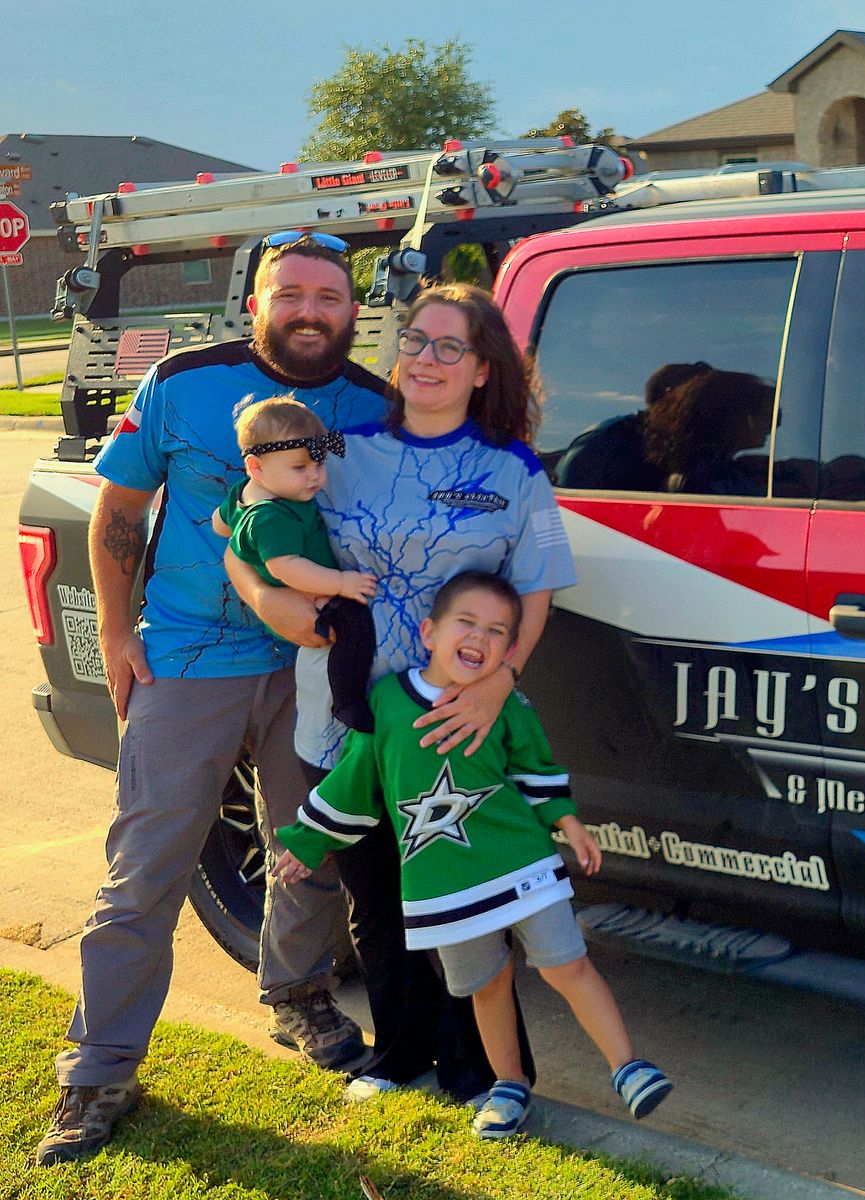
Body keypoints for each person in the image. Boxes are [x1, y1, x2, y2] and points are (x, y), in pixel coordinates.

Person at [37, 231, 383, 1168]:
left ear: (353, 311)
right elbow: (118, 511)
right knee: (146, 867)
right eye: (292, 293)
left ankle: (300, 996)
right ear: (258, 304)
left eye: (329, 295)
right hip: (186, 661)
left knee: (305, 844)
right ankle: (99, 1067)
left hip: (309, 668)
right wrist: (115, 636)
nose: (310, 310)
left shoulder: (374, 405)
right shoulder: (185, 382)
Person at [227, 282, 574, 1106]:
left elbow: (538, 589)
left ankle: (484, 1072)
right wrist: (265, 597)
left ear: (484, 368)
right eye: (414, 340)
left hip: (452, 725)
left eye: (449, 347)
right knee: (377, 899)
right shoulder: (333, 451)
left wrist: (500, 683)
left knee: (460, 902)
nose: (425, 359)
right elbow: (239, 524)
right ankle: (400, 1050)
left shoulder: (514, 469)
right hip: (343, 722)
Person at [273, 571, 673, 1139]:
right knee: (485, 985)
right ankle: (508, 1086)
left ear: (510, 650)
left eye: (497, 631)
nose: (480, 638)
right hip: (444, 887)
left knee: (569, 965)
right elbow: (356, 781)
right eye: (467, 623)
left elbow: (537, 769)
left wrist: (570, 824)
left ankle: (627, 1066)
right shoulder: (387, 701)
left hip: (523, 867)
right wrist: (310, 840)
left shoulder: (506, 702)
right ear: (429, 631)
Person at [213, 395, 378, 732]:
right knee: (356, 626)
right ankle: (348, 700)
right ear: (256, 467)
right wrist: (342, 583)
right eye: (300, 468)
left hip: (299, 592)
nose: (314, 477)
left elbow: (219, 523)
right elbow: (284, 567)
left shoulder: (245, 493)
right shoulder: (274, 516)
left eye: (318, 464)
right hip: (303, 595)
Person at [554, 360, 711, 491]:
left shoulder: (684, 447)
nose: (707, 412)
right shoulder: (607, 447)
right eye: (696, 399)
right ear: (668, 397)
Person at [642, 368, 776, 495]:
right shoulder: (706, 481)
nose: (775, 424)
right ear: (731, 417)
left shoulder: (720, 472)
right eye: (767, 414)